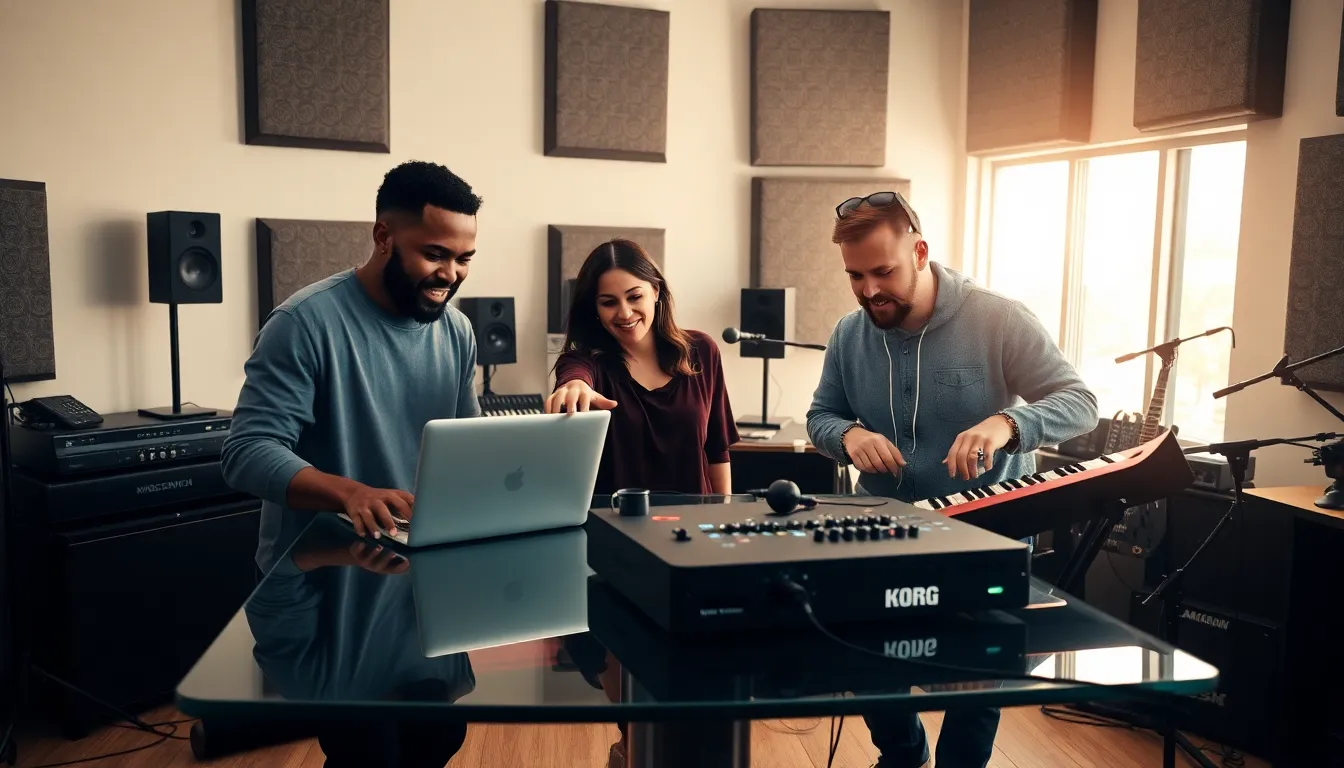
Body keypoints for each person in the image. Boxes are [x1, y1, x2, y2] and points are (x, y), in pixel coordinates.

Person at [806, 191, 1098, 768]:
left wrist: (1007, 423)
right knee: (869, 661)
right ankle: (903, 755)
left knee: (977, 678)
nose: (869, 291)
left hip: (989, 534)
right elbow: (821, 416)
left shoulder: (998, 317)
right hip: (883, 532)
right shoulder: (848, 334)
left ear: (919, 251)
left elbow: (1081, 403)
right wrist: (847, 437)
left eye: (883, 272)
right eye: (855, 276)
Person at [221, 160, 484, 767]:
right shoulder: (304, 323)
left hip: (414, 581)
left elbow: (466, 445)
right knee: (367, 753)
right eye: (435, 254)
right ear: (384, 237)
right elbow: (246, 452)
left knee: (438, 736)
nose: (450, 275)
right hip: (321, 580)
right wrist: (349, 493)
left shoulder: (459, 332)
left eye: (464, 258)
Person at [544, 238, 738, 496]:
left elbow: (717, 450)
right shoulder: (584, 361)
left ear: (656, 291)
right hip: (618, 527)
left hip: (693, 526)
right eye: (609, 302)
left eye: (634, 297)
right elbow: (574, 376)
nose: (624, 313)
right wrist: (574, 386)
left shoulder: (702, 350)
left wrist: (722, 516)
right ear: (595, 309)